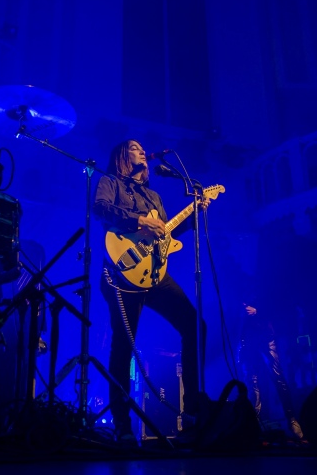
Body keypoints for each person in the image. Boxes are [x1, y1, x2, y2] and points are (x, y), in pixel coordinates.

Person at [93, 139, 209, 443]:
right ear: (121, 155)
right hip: (120, 272)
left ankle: (195, 413)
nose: (142, 150)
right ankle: (122, 426)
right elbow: (100, 208)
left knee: (196, 327)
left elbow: (166, 236)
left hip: (156, 274)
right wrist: (140, 220)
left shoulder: (154, 195)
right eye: (134, 147)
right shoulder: (110, 182)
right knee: (123, 345)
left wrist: (194, 215)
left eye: (142, 148)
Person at [238, 301, 304, 440]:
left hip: (266, 336)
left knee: (277, 377)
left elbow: (276, 304)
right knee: (251, 381)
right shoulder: (238, 286)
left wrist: (258, 311)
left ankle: (291, 419)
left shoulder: (263, 284)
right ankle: (254, 423)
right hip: (247, 339)